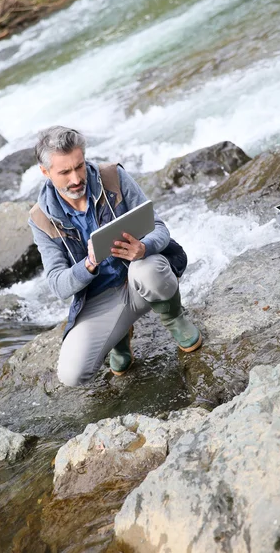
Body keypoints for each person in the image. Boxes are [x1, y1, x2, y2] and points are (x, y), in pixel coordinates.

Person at [28, 126, 202, 386]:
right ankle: (119, 339)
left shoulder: (112, 177)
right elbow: (57, 285)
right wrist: (87, 266)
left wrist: (144, 248)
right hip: (100, 299)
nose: (76, 178)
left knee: (149, 268)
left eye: (79, 166)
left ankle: (174, 318)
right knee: (72, 375)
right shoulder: (41, 219)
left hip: (140, 276)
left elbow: (160, 229)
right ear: (45, 172)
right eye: (65, 172)